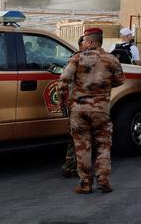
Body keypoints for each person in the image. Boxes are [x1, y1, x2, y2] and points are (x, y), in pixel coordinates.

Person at [59, 27, 124, 193]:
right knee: (103, 144)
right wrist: (102, 86)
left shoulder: (77, 58)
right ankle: (103, 178)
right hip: (101, 110)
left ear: (88, 41)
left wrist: (64, 102)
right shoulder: (111, 59)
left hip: (79, 111)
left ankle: (85, 184)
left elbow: (63, 80)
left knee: (82, 146)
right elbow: (120, 80)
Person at [61, 34, 87, 178]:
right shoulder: (79, 60)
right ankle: (79, 169)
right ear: (82, 45)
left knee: (74, 137)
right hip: (80, 104)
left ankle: (68, 166)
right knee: (82, 138)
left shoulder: (73, 59)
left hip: (74, 104)